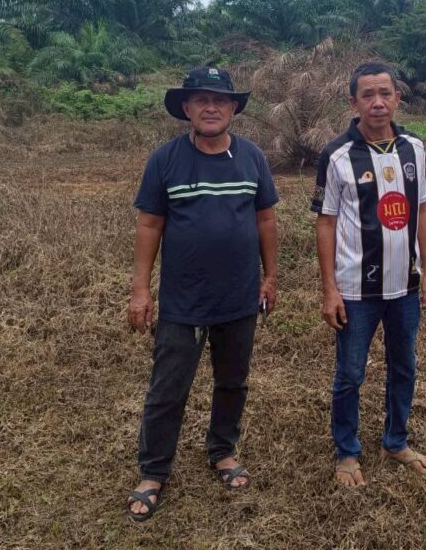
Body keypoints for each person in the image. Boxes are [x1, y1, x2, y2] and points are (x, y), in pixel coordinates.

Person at [125, 67, 278, 521]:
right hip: (183, 300)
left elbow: (266, 219)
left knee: (232, 381)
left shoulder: (252, 157)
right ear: (186, 108)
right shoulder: (165, 160)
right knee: (168, 388)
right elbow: (149, 224)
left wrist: (270, 277)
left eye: (220, 100)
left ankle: (223, 451)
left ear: (233, 108)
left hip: (239, 296)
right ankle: (153, 471)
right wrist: (140, 290)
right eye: (201, 100)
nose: (211, 107)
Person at [311, 61, 426, 487]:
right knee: (350, 373)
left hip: (405, 286)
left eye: (385, 93)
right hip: (355, 290)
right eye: (368, 95)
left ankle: (395, 441)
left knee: (404, 366)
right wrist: (329, 290)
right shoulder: (337, 155)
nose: (378, 102)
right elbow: (326, 222)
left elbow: (424, 210)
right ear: (354, 103)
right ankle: (347, 452)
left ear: (397, 98)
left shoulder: (414, 148)